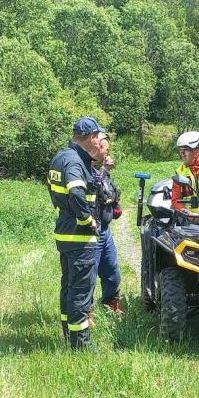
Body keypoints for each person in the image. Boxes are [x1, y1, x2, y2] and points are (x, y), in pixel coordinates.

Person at [47, 117, 105, 350]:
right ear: (91, 137)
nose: (99, 143)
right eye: (98, 138)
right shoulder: (74, 162)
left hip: (64, 233)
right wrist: (87, 219)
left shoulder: (60, 157)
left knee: (68, 287)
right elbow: (77, 193)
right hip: (79, 236)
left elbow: (54, 190)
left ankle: (67, 333)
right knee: (81, 291)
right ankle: (81, 345)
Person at [91, 133, 124, 314]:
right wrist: (104, 170)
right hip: (92, 231)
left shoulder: (101, 172)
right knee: (89, 274)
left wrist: (116, 204)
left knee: (112, 270)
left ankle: (111, 305)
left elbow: (110, 193)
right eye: (105, 148)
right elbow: (97, 189)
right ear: (96, 147)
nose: (107, 153)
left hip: (105, 230)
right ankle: (86, 312)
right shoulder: (87, 169)